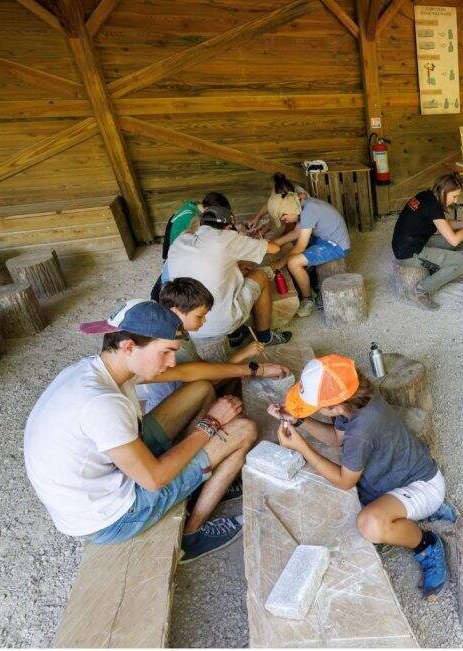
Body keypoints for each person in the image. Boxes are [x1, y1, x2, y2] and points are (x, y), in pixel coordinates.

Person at [24, 300, 259, 562]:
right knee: (244, 429)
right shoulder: (102, 405)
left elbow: (190, 373)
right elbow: (154, 479)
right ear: (128, 346)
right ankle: (191, 535)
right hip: (113, 518)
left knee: (201, 389)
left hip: (103, 480)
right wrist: (212, 423)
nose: (171, 363)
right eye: (166, 352)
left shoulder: (98, 367)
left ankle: (196, 477)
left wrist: (249, 369)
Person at [267, 355, 457, 596]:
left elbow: (345, 481)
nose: (313, 411)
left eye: (315, 408)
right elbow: (337, 440)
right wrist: (299, 421)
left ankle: (427, 544)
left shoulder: (362, 429)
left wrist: (302, 448)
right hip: (396, 478)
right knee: (354, 512)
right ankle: (423, 511)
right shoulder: (354, 395)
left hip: (422, 485)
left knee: (369, 526)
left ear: (335, 406)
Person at [135, 278, 291, 413]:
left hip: (187, 393)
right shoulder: (172, 349)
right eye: (199, 316)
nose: (203, 321)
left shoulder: (179, 333)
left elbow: (201, 369)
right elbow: (205, 382)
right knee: (233, 400)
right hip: (174, 410)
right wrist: (244, 358)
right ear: (176, 312)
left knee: (235, 380)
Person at [164, 204, 291, 345]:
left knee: (227, 280)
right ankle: (265, 337)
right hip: (217, 321)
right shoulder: (225, 238)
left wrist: (235, 265)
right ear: (228, 227)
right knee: (261, 276)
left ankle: (236, 333)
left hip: (187, 322)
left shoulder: (179, 241)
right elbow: (274, 249)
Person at [391, 173, 463, 310]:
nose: (456, 201)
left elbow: (442, 225)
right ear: (443, 192)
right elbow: (453, 241)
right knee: (462, 262)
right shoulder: (433, 206)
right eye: (454, 196)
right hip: (409, 253)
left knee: (453, 242)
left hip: (405, 244)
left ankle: (436, 268)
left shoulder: (426, 196)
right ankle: (421, 291)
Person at [268, 187, 352, 317]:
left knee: (293, 263)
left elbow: (300, 247)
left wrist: (279, 263)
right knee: (294, 248)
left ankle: (307, 300)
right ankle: (309, 279)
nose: (285, 222)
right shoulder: (302, 206)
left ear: (288, 212)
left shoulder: (308, 212)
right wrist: (274, 244)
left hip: (337, 246)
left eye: (284, 219)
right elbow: (296, 233)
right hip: (324, 238)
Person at [161, 192, 233, 260]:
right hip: (180, 255)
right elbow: (207, 241)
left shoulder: (194, 205)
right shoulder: (192, 218)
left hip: (179, 248)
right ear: (211, 210)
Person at [242, 173, 307, 238]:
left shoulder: (295, 207)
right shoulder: (286, 195)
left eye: (273, 196)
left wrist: (265, 238)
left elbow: (289, 232)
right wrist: (257, 217)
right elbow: (269, 206)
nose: (271, 196)